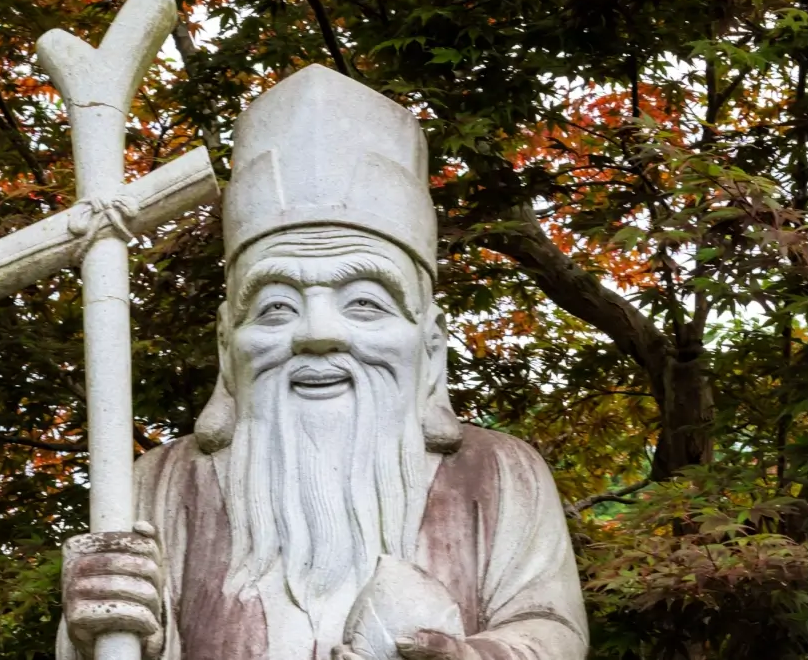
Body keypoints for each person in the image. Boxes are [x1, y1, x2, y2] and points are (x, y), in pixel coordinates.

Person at [56, 64, 588, 660]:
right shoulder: (159, 483)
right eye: (277, 306)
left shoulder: (501, 473)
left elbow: (550, 630)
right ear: (228, 346)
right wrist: (101, 629)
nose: (317, 334)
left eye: (364, 302)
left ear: (430, 344)